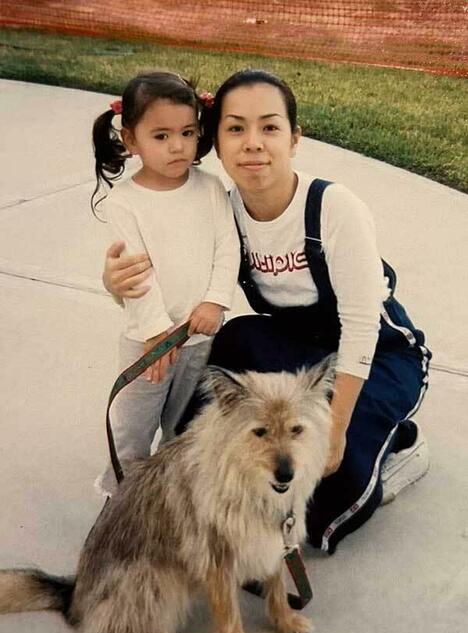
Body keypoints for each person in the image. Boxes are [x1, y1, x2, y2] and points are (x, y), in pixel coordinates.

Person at [102, 69, 431, 554]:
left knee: (318, 495)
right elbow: (177, 279)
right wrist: (115, 285)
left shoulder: (334, 208)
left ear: (294, 138)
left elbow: (361, 326)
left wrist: (334, 432)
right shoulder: (224, 209)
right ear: (214, 139)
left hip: (377, 356)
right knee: (231, 344)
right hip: (301, 349)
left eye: (270, 127)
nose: (253, 142)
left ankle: (396, 450)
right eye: (235, 128)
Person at [93, 71, 240, 497]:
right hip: (149, 343)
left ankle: (171, 499)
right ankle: (121, 501)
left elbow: (226, 248)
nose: (177, 146)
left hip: (198, 338)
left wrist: (215, 301)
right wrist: (156, 330)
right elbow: (136, 274)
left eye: (187, 132)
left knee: (184, 428)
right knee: (133, 429)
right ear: (131, 139)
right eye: (160, 135)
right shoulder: (125, 202)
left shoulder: (211, 188)